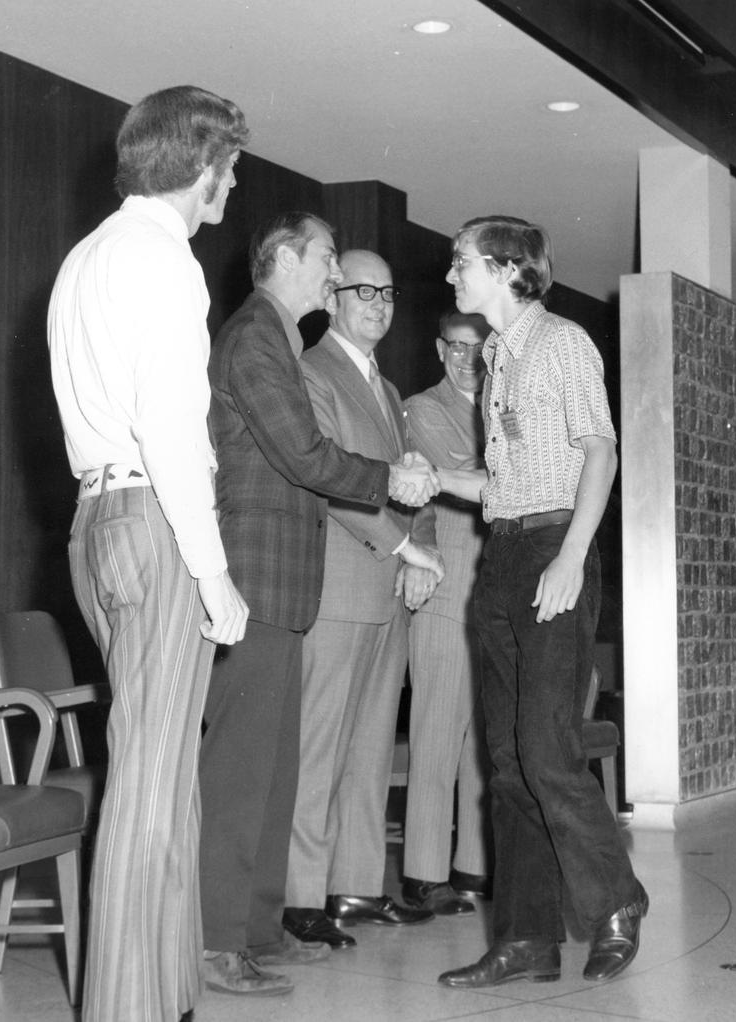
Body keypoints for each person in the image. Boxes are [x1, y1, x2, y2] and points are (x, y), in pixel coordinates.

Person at [47, 85, 251, 1022]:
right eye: (231, 167)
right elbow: (171, 425)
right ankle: (128, 1008)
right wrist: (211, 570)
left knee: (164, 773)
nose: (232, 184)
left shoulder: (85, 257)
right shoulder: (164, 260)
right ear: (203, 169)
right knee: (148, 781)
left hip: (97, 523)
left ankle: (169, 999)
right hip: (155, 521)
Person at [199, 217, 441, 996]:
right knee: (243, 772)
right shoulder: (255, 338)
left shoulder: (273, 336)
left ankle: (262, 930)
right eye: (328, 259)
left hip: (285, 582)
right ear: (285, 261)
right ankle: (215, 940)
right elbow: (303, 454)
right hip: (256, 578)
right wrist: (387, 482)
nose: (335, 272)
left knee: (274, 771)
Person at [434, 216, 648, 989]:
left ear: (505, 267)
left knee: (547, 747)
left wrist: (571, 555)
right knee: (506, 759)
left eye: (461, 262)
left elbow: (601, 448)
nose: (451, 273)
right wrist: (438, 479)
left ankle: (616, 902)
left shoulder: (560, 343)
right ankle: (526, 939)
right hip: (504, 556)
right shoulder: (497, 356)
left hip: (554, 549)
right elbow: (504, 485)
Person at [283, 251, 440, 946]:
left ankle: (355, 887)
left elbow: (417, 483)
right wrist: (402, 547)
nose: (379, 302)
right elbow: (331, 481)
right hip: (341, 585)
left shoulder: (389, 388)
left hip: (392, 588)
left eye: (389, 290)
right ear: (332, 297)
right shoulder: (311, 373)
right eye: (363, 290)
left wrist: (421, 556)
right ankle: (301, 896)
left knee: (373, 748)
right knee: (320, 749)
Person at [398, 310, 494, 917]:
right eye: (455, 347)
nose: (465, 359)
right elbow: (457, 480)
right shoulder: (421, 409)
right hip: (445, 588)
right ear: (439, 349)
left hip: (493, 591)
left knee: (480, 740)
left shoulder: (501, 409)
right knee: (436, 735)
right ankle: (423, 875)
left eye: (476, 348)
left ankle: (473, 867)